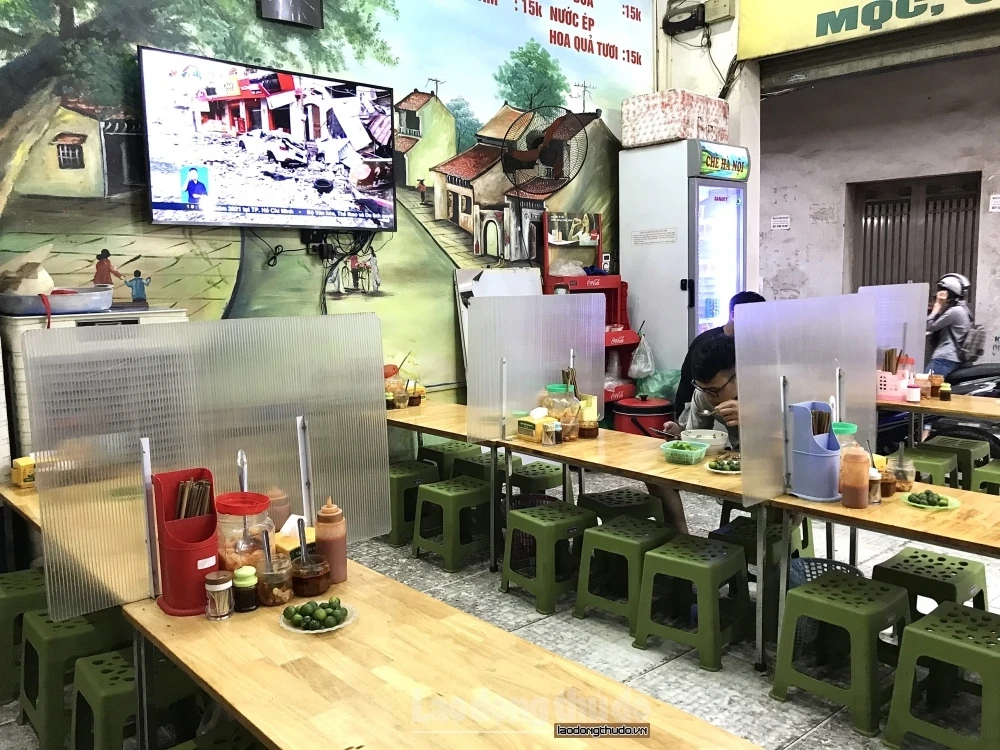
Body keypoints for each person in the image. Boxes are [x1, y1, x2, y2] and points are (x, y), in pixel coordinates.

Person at [645, 335, 740, 533]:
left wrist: (755, 416)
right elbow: (697, 436)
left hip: (772, 463)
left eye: (714, 390)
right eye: (702, 389)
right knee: (655, 474)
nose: (708, 397)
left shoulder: (767, 390)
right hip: (736, 459)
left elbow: (793, 439)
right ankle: (681, 536)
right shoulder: (703, 394)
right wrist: (681, 434)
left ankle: (777, 545)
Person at [673, 291, 765, 421]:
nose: (759, 325)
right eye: (755, 318)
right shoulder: (708, 344)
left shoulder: (751, 342)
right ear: (734, 315)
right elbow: (702, 388)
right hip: (694, 406)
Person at [926, 273, 972, 376]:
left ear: (949, 292)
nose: (938, 294)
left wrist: (937, 306)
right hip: (955, 358)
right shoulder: (965, 310)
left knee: (926, 383)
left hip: (945, 358)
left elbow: (930, 326)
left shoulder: (955, 311)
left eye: (942, 290)